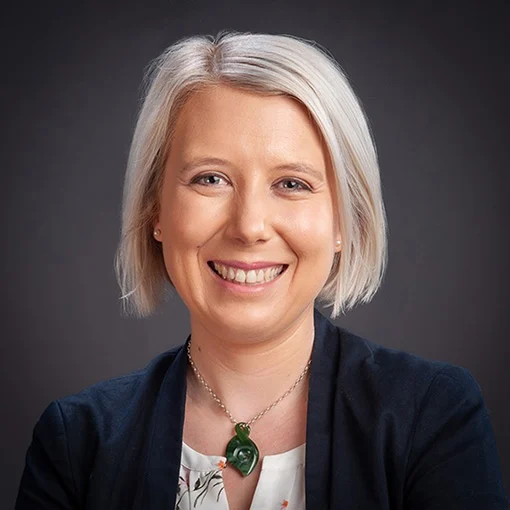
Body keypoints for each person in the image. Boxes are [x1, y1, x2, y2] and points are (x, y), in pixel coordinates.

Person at [16, 31, 507, 510]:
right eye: (211, 178)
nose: (249, 226)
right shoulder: (76, 441)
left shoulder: (433, 416)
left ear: (345, 222)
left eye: (291, 183)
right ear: (155, 212)